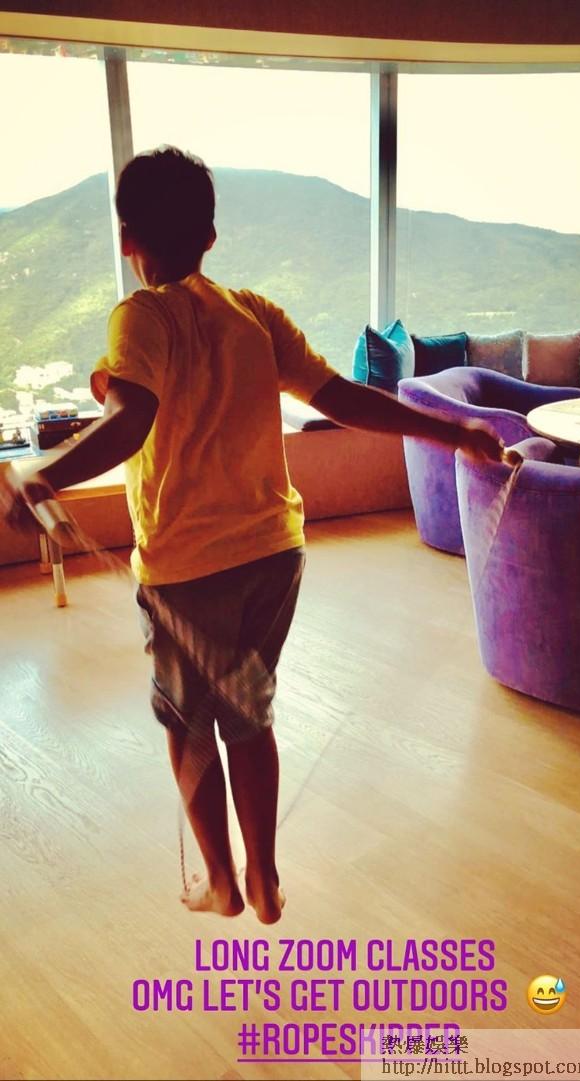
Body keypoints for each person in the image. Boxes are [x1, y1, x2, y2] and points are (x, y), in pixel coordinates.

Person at [2, 147, 503, 924]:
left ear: (127, 238)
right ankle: (264, 872)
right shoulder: (256, 314)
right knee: (247, 709)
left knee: (188, 719)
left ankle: (221, 879)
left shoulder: (141, 317)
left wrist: (43, 474)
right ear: (210, 236)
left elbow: (130, 420)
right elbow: (341, 398)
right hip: (274, 555)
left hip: (186, 568)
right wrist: (453, 430)